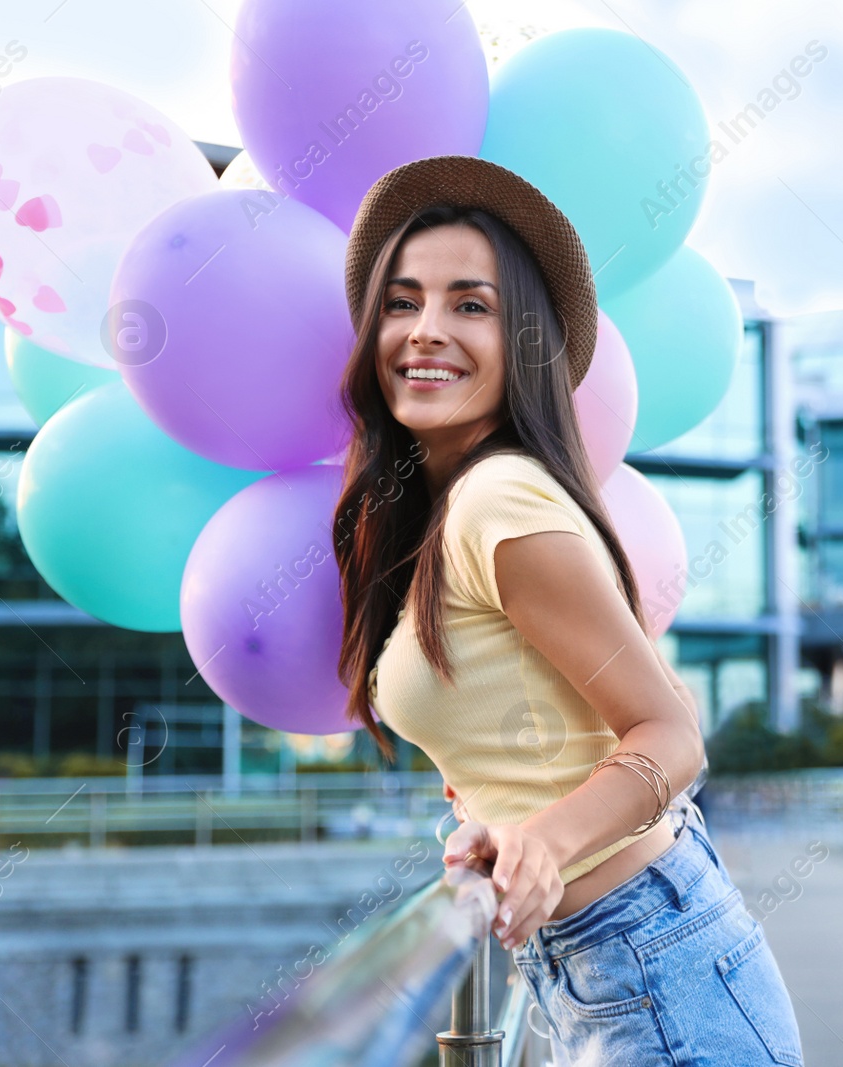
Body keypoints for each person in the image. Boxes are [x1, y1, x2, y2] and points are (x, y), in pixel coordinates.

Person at [333, 155, 804, 1066]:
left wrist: (545, 841)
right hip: (604, 963)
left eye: (470, 304)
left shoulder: (497, 502)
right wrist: (507, 822)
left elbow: (672, 732)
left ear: (524, 342)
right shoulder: (442, 514)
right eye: (402, 301)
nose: (426, 330)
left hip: (658, 974)